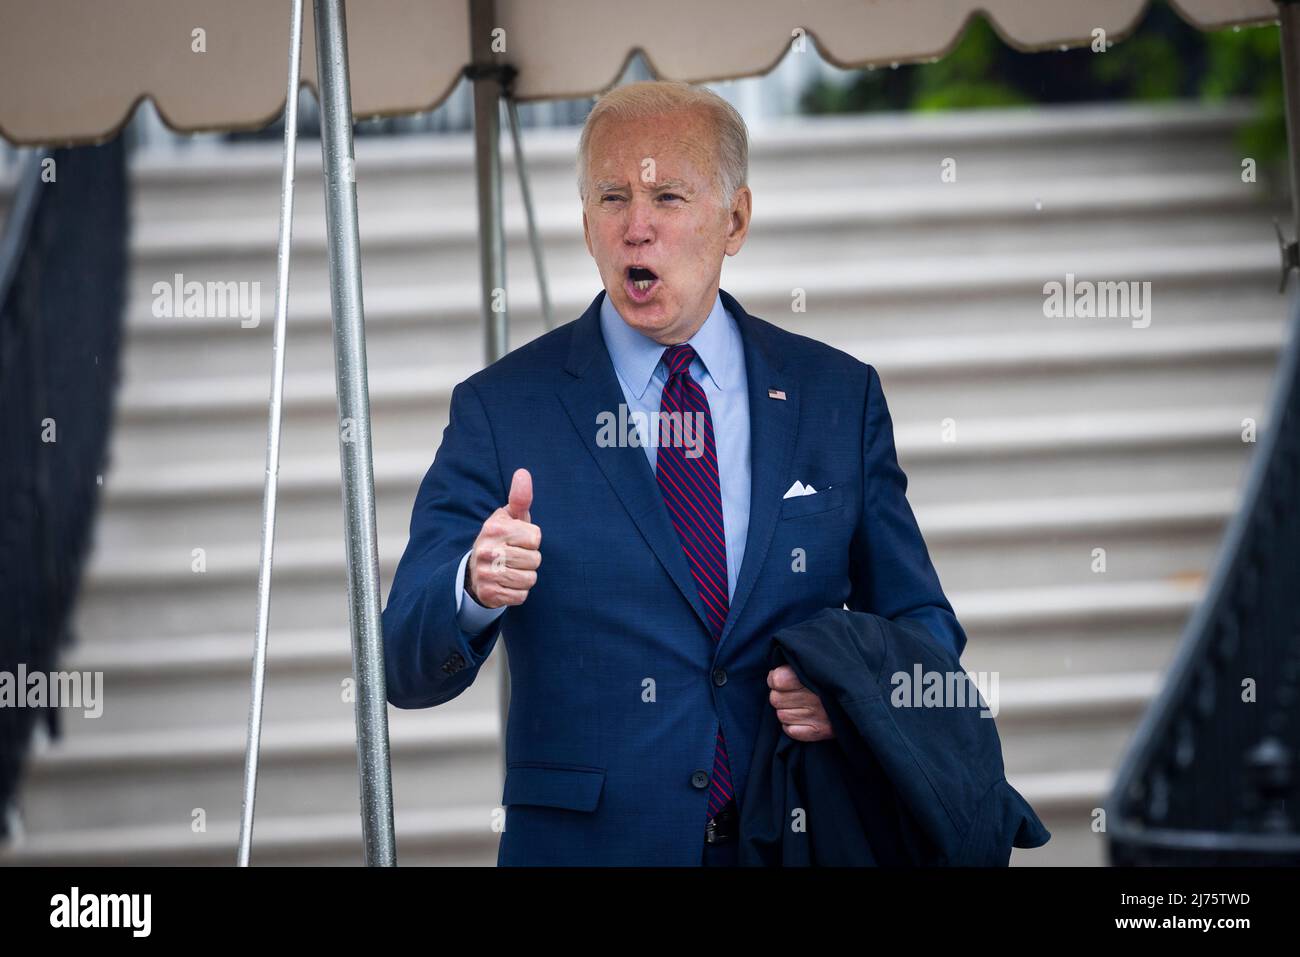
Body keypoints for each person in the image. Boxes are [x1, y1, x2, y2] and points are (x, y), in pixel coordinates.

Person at [381, 79, 967, 866]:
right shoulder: (500, 409)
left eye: (668, 196)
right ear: (585, 222)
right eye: (613, 197)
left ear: (736, 220)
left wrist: (855, 690)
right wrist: (472, 587)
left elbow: (924, 625)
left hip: (797, 840)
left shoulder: (836, 396)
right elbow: (402, 665)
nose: (637, 227)